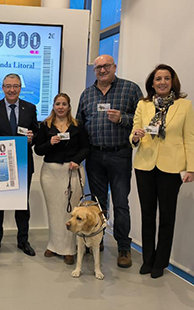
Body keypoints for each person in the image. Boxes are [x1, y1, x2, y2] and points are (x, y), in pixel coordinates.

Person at [76, 54, 143, 268]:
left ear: (114, 67)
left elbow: (143, 120)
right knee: (98, 204)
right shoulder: (87, 94)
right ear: (94, 70)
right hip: (94, 156)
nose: (102, 70)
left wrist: (122, 118)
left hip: (120, 155)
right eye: (98, 68)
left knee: (121, 203)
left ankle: (124, 247)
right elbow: (78, 124)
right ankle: (97, 240)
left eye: (106, 66)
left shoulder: (130, 89)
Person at [130, 64, 194, 278]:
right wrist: (135, 136)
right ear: (152, 83)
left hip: (171, 167)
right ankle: (148, 258)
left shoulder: (184, 106)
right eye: (158, 79)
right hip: (145, 165)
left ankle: (161, 262)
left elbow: (189, 138)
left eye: (166, 78)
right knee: (147, 214)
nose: (162, 82)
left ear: (172, 81)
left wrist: (191, 168)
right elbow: (134, 132)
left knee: (167, 216)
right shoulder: (143, 104)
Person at [0, 73, 39, 256]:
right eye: (8, 86)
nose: (12, 90)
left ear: (20, 88)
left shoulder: (30, 108)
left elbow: (37, 135)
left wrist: (32, 138)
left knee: (22, 205)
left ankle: (23, 240)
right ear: (3, 88)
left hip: (23, 163)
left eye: (15, 86)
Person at [35, 93, 89, 265]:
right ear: (53, 106)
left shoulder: (77, 126)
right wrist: (50, 143)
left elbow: (86, 148)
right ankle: (53, 245)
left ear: (69, 106)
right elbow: (38, 150)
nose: (60, 107)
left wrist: (76, 160)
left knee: (70, 211)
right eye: (57, 104)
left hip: (72, 171)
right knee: (55, 211)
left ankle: (69, 249)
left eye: (64, 104)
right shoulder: (45, 126)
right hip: (51, 173)